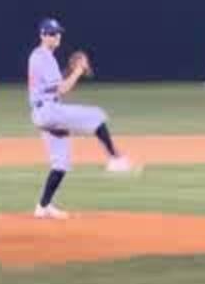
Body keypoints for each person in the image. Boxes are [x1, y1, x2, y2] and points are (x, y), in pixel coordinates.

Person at [27, 18, 133, 220]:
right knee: (96, 115)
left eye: (58, 32)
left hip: (43, 112)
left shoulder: (38, 56)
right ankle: (115, 159)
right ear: (42, 35)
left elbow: (55, 88)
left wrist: (69, 72)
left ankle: (43, 206)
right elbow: (62, 89)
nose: (56, 36)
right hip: (49, 111)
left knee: (60, 164)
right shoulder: (45, 57)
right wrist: (78, 70)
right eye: (51, 33)